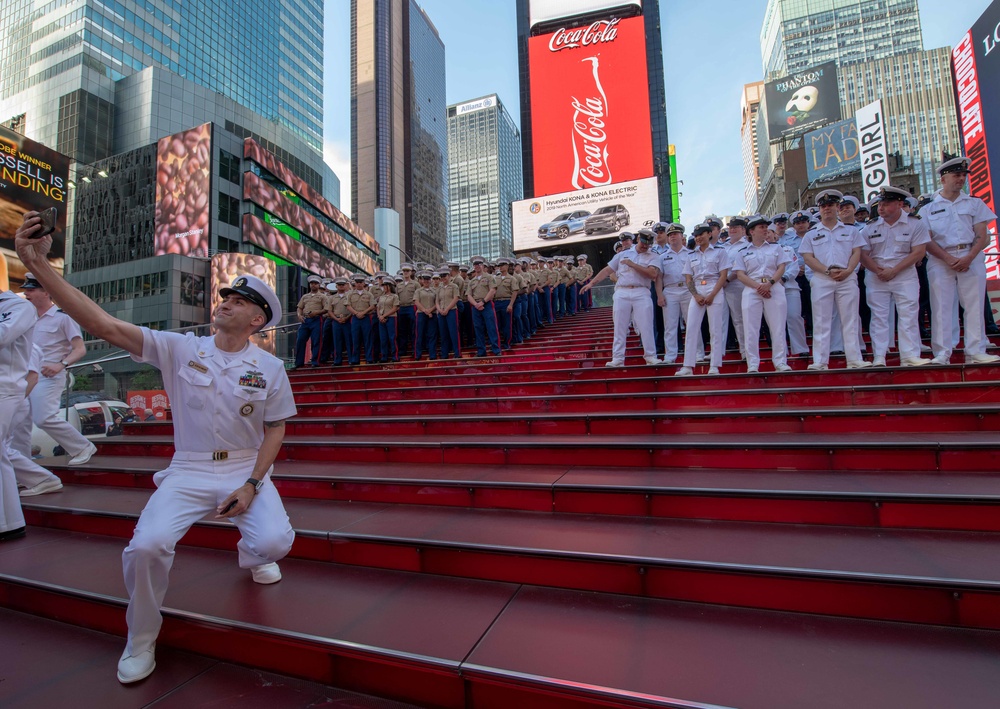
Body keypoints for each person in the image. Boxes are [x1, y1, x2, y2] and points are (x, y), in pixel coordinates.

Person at [16, 212, 297, 684]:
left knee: (273, 542)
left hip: (246, 469)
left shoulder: (270, 369)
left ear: (257, 319)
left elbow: (275, 429)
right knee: (147, 546)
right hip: (188, 469)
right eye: (226, 294)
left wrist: (252, 484)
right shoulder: (180, 348)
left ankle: (256, 555)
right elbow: (103, 325)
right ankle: (141, 636)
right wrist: (41, 267)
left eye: (240, 299)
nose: (227, 301)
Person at [922, 157, 1000, 365]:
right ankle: (942, 353)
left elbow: (982, 235)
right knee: (941, 306)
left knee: (974, 305)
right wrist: (948, 258)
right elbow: (926, 240)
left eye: (963, 175)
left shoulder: (975, 203)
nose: (961, 179)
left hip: (970, 255)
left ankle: (975, 350)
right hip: (940, 259)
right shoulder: (927, 209)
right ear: (943, 179)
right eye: (956, 175)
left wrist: (969, 257)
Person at [20, 272, 95, 465]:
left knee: (43, 417)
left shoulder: (63, 318)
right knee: (20, 423)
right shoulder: (26, 318)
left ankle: (81, 446)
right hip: (24, 376)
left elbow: (80, 349)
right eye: (26, 290)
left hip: (48, 376)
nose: (27, 294)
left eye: (31, 290)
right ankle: (21, 467)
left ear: (46, 292)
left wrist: (61, 365)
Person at [799, 190, 872, 370]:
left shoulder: (851, 231)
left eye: (830, 205)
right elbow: (808, 257)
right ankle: (820, 361)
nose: (827, 209)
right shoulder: (811, 234)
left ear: (837, 207)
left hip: (846, 277)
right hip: (822, 278)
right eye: (823, 206)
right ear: (819, 209)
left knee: (850, 319)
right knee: (821, 320)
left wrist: (848, 270)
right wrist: (826, 271)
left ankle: (854, 358)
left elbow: (857, 252)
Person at [859, 186, 931, 367]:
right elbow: (862, 254)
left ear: (899, 204)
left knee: (908, 315)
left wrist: (894, 270)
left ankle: (909, 355)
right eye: (880, 204)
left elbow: (918, 252)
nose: (881, 208)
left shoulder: (915, 224)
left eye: (886, 204)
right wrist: (878, 271)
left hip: (904, 275)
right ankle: (879, 356)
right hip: (877, 276)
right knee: (879, 316)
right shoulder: (871, 226)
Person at [581, 229, 662, 367]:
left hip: (641, 291)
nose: (644, 246)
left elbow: (653, 274)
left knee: (646, 325)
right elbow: (608, 270)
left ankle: (650, 356)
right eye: (643, 242)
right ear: (638, 239)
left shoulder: (653, 256)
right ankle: (617, 358)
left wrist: (633, 265)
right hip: (622, 291)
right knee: (619, 326)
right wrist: (592, 283)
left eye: (647, 244)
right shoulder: (622, 255)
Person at [732, 216, 792, 373]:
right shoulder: (742, 252)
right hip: (752, 288)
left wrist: (770, 283)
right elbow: (740, 274)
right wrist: (759, 287)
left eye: (766, 227)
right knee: (751, 328)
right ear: (751, 231)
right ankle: (753, 363)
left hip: (773, 286)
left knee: (777, 326)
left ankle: (780, 362)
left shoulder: (776, 248)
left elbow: (781, 267)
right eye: (761, 227)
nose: (765, 229)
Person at [1, 282, 36, 542]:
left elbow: (3, 335)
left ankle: (10, 523)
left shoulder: (19, 306)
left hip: (6, 387)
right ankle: (9, 522)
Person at [675, 223, 730, 376]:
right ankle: (687, 366)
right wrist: (696, 295)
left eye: (702, 234)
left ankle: (715, 365)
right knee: (691, 327)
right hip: (697, 289)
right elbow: (688, 277)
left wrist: (712, 294)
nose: (698, 238)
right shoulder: (691, 255)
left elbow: (723, 276)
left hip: (715, 287)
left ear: (709, 234)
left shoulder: (720, 252)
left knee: (715, 328)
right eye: (696, 235)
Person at [11, 344, 65, 496]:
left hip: (13, 400)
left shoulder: (28, 346)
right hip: (12, 399)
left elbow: (32, 377)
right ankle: (31, 478)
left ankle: (42, 478)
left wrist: (15, 403)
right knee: (9, 446)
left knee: (6, 448)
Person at [655, 223, 703, 364]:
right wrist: (659, 295)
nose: (672, 237)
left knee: (693, 323)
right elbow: (659, 278)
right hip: (670, 290)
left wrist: (696, 293)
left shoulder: (691, 254)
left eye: (675, 234)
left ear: (682, 236)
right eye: (670, 235)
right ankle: (670, 355)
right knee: (670, 326)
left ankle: (698, 353)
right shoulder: (662, 257)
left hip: (688, 290)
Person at [467, 257, 501, 357]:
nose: (477, 266)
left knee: (491, 327)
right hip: (475, 306)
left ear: (483, 265)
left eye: (479, 264)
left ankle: (496, 349)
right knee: (478, 329)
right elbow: (468, 295)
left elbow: (492, 290)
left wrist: (482, 302)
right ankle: (481, 351)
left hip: (486, 304)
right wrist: (476, 305)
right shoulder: (471, 281)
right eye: (475, 264)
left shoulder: (489, 277)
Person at [294, 275, 326, 368]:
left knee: (316, 341)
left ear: (319, 285)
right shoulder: (305, 296)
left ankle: (315, 361)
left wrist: (317, 312)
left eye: (315, 283)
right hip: (305, 320)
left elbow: (326, 309)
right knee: (300, 340)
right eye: (312, 283)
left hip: (316, 319)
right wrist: (299, 316)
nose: (313, 285)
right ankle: (299, 363)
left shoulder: (323, 297)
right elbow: (299, 308)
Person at [347, 274, 376, 365]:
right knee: (355, 339)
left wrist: (363, 313)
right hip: (355, 318)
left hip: (366, 317)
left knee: (367, 338)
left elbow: (372, 306)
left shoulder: (369, 294)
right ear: (354, 283)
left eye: (361, 282)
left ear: (364, 283)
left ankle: (369, 358)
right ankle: (355, 359)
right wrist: (356, 313)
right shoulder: (350, 294)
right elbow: (348, 305)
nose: (359, 284)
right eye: (357, 282)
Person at [324, 278, 352, 366]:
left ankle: (351, 359)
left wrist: (346, 318)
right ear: (336, 286)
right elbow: (329, 310)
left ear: (345, 285)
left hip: (347, 320)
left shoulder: (349, 296)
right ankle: (337, 360)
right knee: (337, 341)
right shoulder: (332, 298)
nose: (341, 286)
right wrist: (336, 319)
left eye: (342, 285)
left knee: (349, 341)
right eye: (339, 285)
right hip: (336, 321)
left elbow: (352, 309)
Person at [436, 269, 462, 359]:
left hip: (451, 311)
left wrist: (447, 309)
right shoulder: (439, 288)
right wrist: (439, 310)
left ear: (449, 276)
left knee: (453, 332)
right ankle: (444, 353)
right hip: (441, 312)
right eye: (441, 276)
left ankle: (457, 353)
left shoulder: (454, 286)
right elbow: (437, 301)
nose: (443, 278)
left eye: (445, 276)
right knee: (443, 334)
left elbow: (456, 298)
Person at [413, 271, 439, 361]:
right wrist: (425, 311)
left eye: (428, 279)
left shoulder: (435, 291)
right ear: (422, 281)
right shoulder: (418, 291)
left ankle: (432, 354)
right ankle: (418, 354)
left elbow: (437, 303)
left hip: (433, 314)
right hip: (421, 314)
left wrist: (430, 310)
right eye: (425, 279)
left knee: (432, 335)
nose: (426, 281)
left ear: (430, 280)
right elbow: (416, 301)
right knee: (419, 334)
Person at [376, 280, 400, 363]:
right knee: (383, 338)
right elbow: (378, 307)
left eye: (385, 285)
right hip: (382, 319)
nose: (383, 287)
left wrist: (384, 316)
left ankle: (395, 356)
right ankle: (384, 356)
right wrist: (380, 316)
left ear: (389, 286)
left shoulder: (394, 296)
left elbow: (395, 308)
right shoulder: (381, 297)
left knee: (392, 338)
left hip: (391, 318)